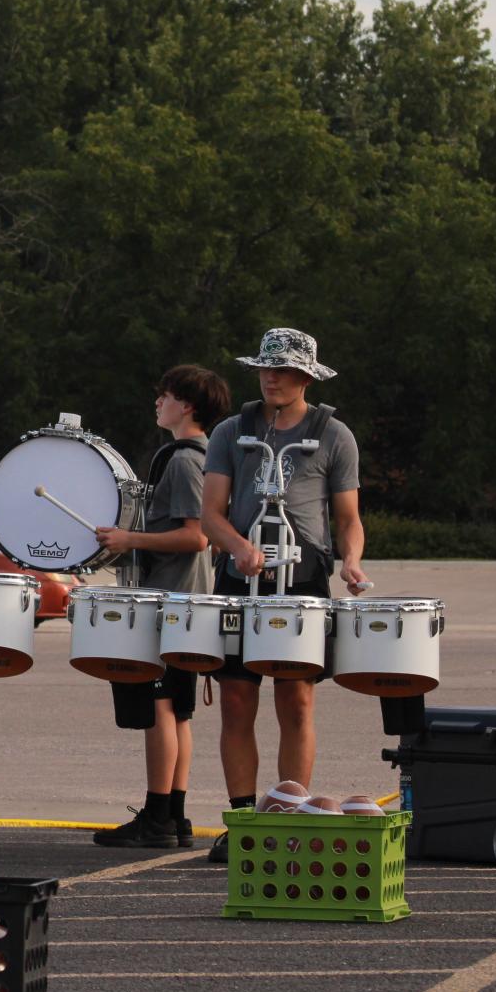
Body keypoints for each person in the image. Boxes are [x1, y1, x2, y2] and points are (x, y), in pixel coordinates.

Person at [201, 327, 367, 862]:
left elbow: (348, 519)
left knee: (295, 699)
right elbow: (211, 515)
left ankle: (291, 816)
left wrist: (353, 563)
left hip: (303, 573)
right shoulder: (233, 429)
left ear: (306, 376)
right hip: (239, 572)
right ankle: (245, 819)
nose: (273, 378)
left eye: (285, 371)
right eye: (267, 369)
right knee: (235, 698)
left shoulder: (333, 434)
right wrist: (236, 547)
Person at [89, 364, 230, 848]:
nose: (158, 401)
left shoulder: (188, 460)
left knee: (161, 707)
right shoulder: (194, 456)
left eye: (165, 395)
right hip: (183, 601)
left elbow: (196, 535)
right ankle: (174, 813)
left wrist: (130, 537)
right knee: (179, 709)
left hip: (175, 601)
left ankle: (157, 817)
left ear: (187, 405)